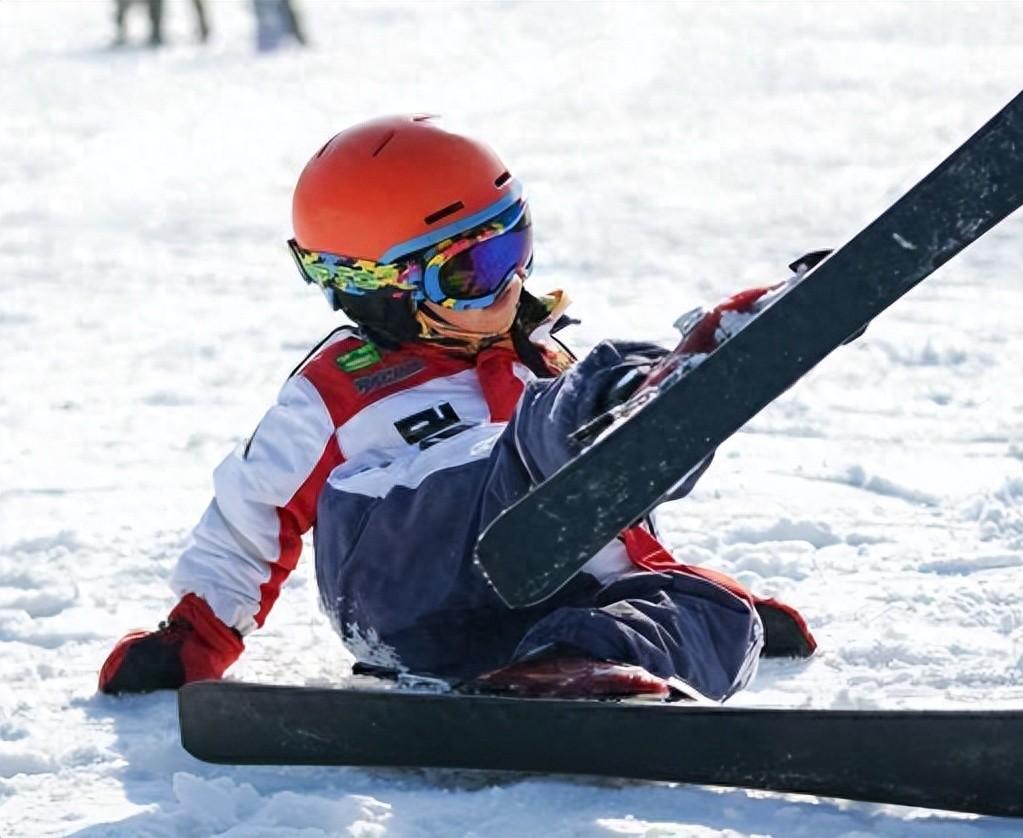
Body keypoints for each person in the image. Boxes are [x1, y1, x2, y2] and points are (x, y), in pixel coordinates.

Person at [98, 115, 815, 702]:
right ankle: (649, 391)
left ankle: (568, 671)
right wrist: (195, 635)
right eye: (471, 271)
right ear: (379, 287)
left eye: (515, 245)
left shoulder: (540, 358)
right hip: (405, 587)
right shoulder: (339, 389)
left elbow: (610, 520)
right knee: (536, 442)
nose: (509, 283)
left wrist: (677, 588)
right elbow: (250, 515)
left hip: (536, 609)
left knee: (716, 611)